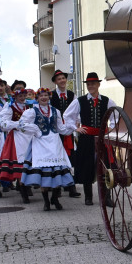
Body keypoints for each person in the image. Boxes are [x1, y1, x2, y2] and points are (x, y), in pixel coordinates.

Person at [64, 72, 118, 206]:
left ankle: (107, 197)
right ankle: (88, 197)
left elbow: (116, 116)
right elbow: (67, 116)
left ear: (98, 84)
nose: (90, 86)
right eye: (88, 84)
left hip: (103, 138)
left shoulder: (107, 101)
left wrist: (111, 129)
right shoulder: (79, 101)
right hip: (86, 137)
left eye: (93, 83)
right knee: (86, 166)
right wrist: (76, 128)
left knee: (106, 166)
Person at [20, 88, 75, 211]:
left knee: (57, 173)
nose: (44, 97)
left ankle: (54, 198)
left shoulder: (56, 111)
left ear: (49, 97)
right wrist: (35, 129)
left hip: (55, 144)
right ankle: (46, 202)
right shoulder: (32, 112)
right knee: (43, 175)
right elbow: (21, 125)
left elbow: (61, 129)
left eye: (46, 95)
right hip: (40, 145)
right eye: (41, 96)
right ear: (37, 98)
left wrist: (72, 127)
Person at [0, 84, 33, 203]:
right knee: (19, 163)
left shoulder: (29, 106)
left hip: (29, 136)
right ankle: (23, 190)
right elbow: (2, 123)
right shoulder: (10, 107)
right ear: (15, 97)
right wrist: (16, 125)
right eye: (20, 96)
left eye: (24, 96)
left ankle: (27, 187)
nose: (22, 98)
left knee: (29, 162)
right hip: (17, 137)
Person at [49, 70, 81, 198]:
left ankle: (70, 186)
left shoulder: (72, 95)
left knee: (69, 157)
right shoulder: (51, 95)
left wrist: (77, 122)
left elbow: (76, 111)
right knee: (57, 157)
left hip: (68, 129)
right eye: (59, 79)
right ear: (56, 82)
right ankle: (57, 186)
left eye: (63, 78)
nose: (62, 80)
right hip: (55, 131)